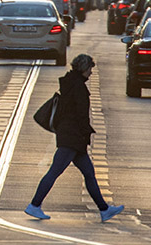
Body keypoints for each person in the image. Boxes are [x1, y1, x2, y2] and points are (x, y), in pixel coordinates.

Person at [25, 54, 124, 222]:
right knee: (55, 171)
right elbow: (80, 114)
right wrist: (86, 132)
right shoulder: (78, 87)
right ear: (83, 68)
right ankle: (34, 205)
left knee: (89, 173)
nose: (91, 72)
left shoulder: (70, 83)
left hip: (71, 136)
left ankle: (104, 209)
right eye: (90, 69)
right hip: (72, 137)